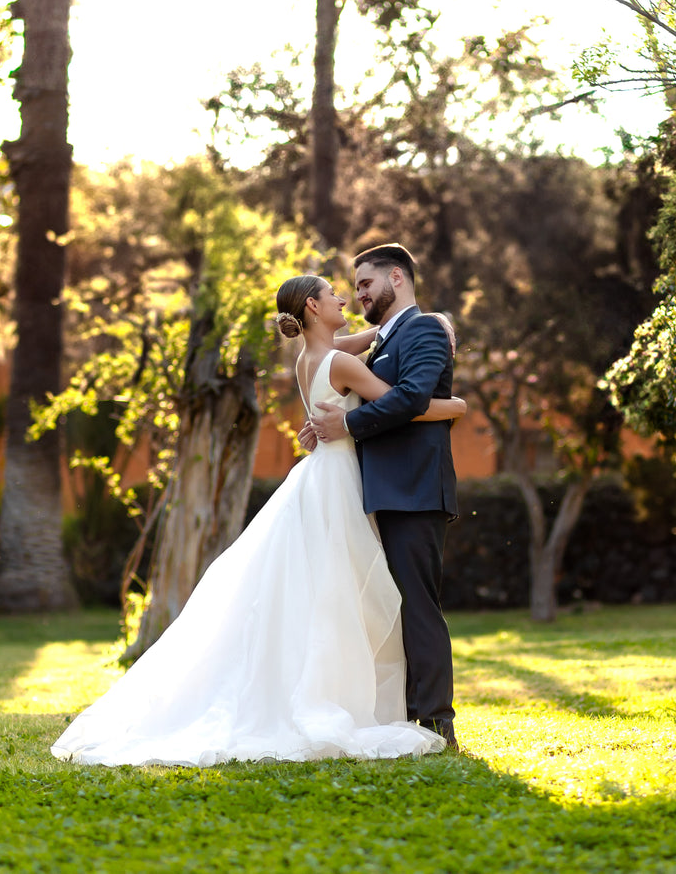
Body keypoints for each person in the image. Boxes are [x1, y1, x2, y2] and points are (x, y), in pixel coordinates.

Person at [50, 274, 467, 767]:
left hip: (318, 476)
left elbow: (368, 340)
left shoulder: (309, 358)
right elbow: (403, 402)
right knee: (341, 593)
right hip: (338, 483)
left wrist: (399, 331)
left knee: (318, 592)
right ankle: (342, 697)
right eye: (334, 293)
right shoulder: (342, 364)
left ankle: (327, 689)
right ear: (313, 306)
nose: (344, 298)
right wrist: (454, 406)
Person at [305, 243, 460, 751]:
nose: (359, 294)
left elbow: (414, 396)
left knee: (417, 605)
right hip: (378, 492)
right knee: (387, 608)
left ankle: (437, 723)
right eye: (353, 288)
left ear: (397, 276)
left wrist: (346, 422)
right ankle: (401, 714)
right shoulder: (376, 345)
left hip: (415, 489)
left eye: (366, 284)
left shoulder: (424, 329)